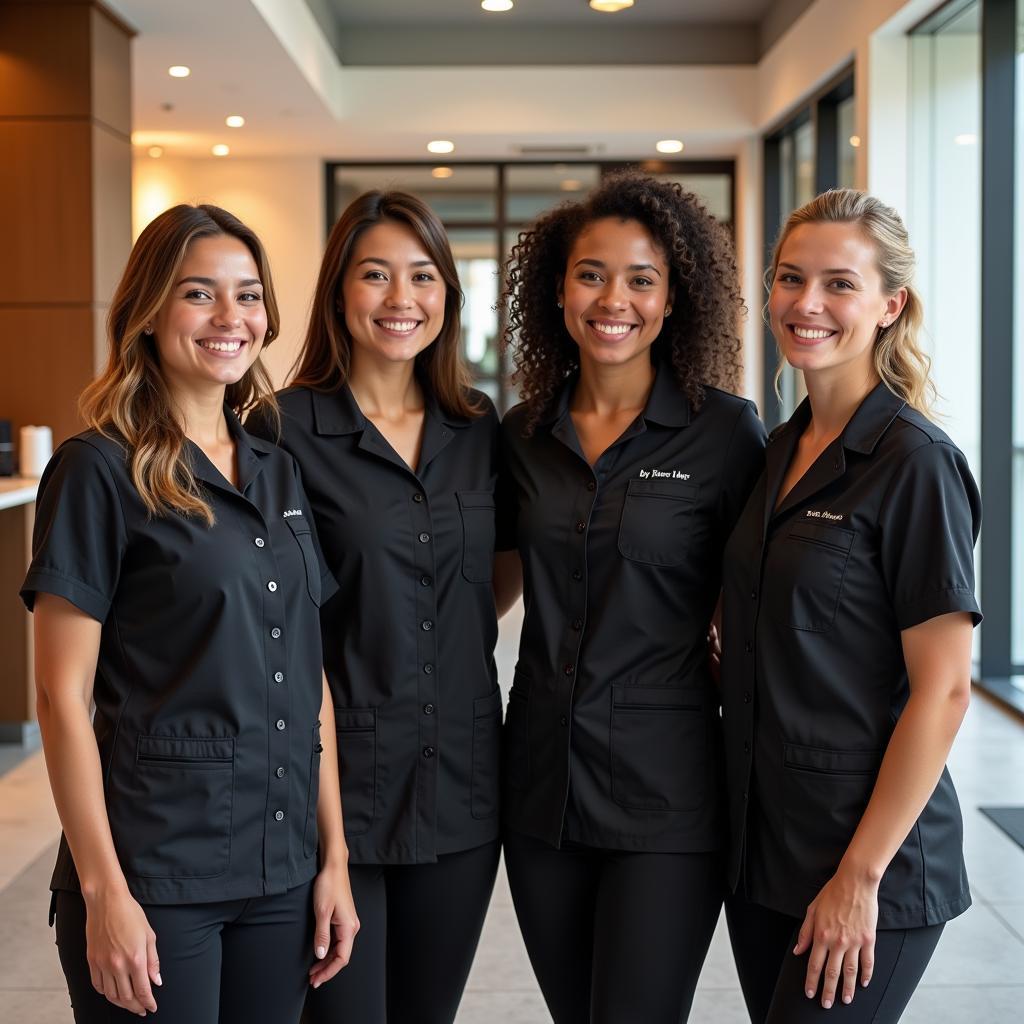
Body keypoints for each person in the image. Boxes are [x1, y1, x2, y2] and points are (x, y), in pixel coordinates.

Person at [21, 204, 358, 1024]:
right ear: (149, 313)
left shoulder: (276, 469)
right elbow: (61, 700)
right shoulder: (96, 471)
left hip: (281, 874)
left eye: (247, 296)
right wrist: (104, 894)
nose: (229, 319)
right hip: (156, 874)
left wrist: (334, 858)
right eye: (198, 295)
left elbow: (307, 675)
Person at [495, 171, 766, 1023]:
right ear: (558, 291)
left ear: (674, 297)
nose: (614, 299)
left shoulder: (726, 432)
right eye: (591, 274)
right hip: (540, 789)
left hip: (668, 795)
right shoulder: (521, 434)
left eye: (641, 278)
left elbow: (764, 596)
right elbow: (484, 590)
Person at [721, 188, 980, 1023]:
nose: (807, 305)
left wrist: (858, 879)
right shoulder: (777, 451)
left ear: (889, 304)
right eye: (791, 279)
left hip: (870, 865)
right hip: (765, 851)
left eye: (839, 284)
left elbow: (942, 692)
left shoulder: (916, 465)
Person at [247, 190, 504, 1024]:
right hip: (331, 786)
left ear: (448, 297)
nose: (401, 299)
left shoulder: (477, 428)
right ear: (337, 294)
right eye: (375, 275)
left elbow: (494, 573)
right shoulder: (278, 431)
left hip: (461, 784)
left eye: (422, 276)